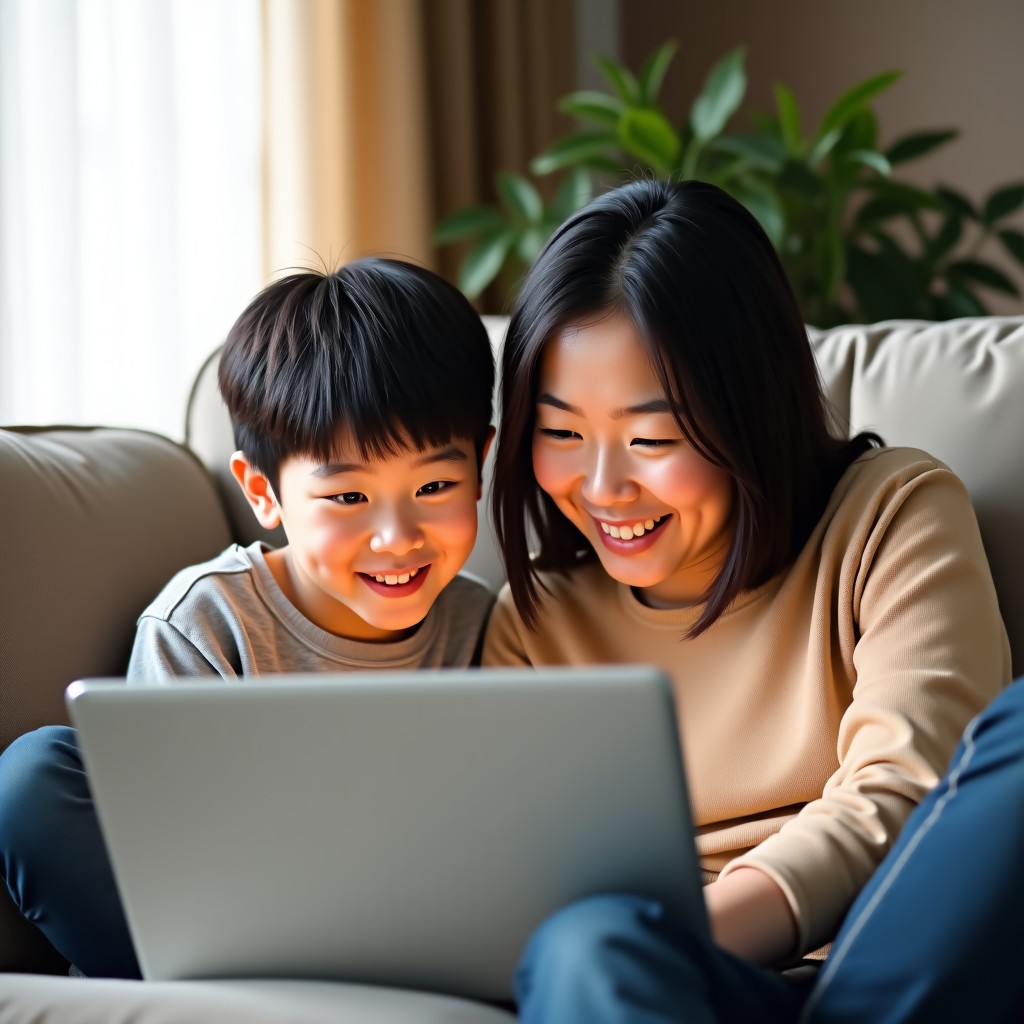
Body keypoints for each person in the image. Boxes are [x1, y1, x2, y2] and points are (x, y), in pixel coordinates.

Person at [482, 178, 1019, 1021]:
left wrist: (705, 923)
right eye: (560, 433)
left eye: (652, 439)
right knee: (585, 948)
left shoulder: (889, 511)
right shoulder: (533, 622)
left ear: (750, 408)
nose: (602, 486)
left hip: (886, 956)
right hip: (669, 983)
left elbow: (908, 786)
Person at [0, 258, 496, 979]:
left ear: (480, 465)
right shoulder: (207, 621)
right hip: (230, 933)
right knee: (34, 779)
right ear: (263, 492)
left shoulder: (487, 625)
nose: (397, 536)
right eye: (349, 499)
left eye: (435, 486)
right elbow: (172, 846)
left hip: (416, 929)